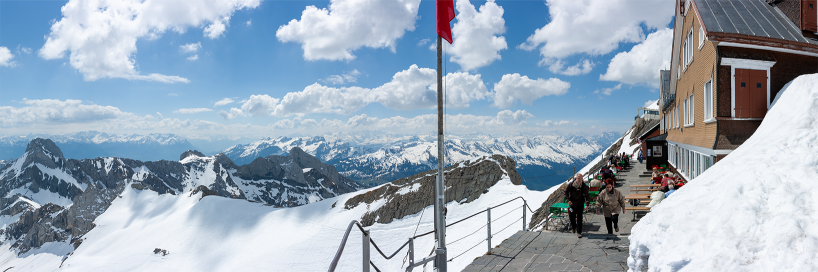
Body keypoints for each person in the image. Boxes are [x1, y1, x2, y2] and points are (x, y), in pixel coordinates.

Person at [564, 173, 591, 238]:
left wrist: (587, 204)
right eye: (578, 178)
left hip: (580, 204)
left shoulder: (584, 186)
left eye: (581, 178)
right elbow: (565, 192)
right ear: (576, 178)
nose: (580, 179)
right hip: (572, 204)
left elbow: (588, 196)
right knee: (571, 216)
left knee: (579, 218)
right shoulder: (571, 184)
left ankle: (579, 232)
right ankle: (574, 228)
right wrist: (568, 200)